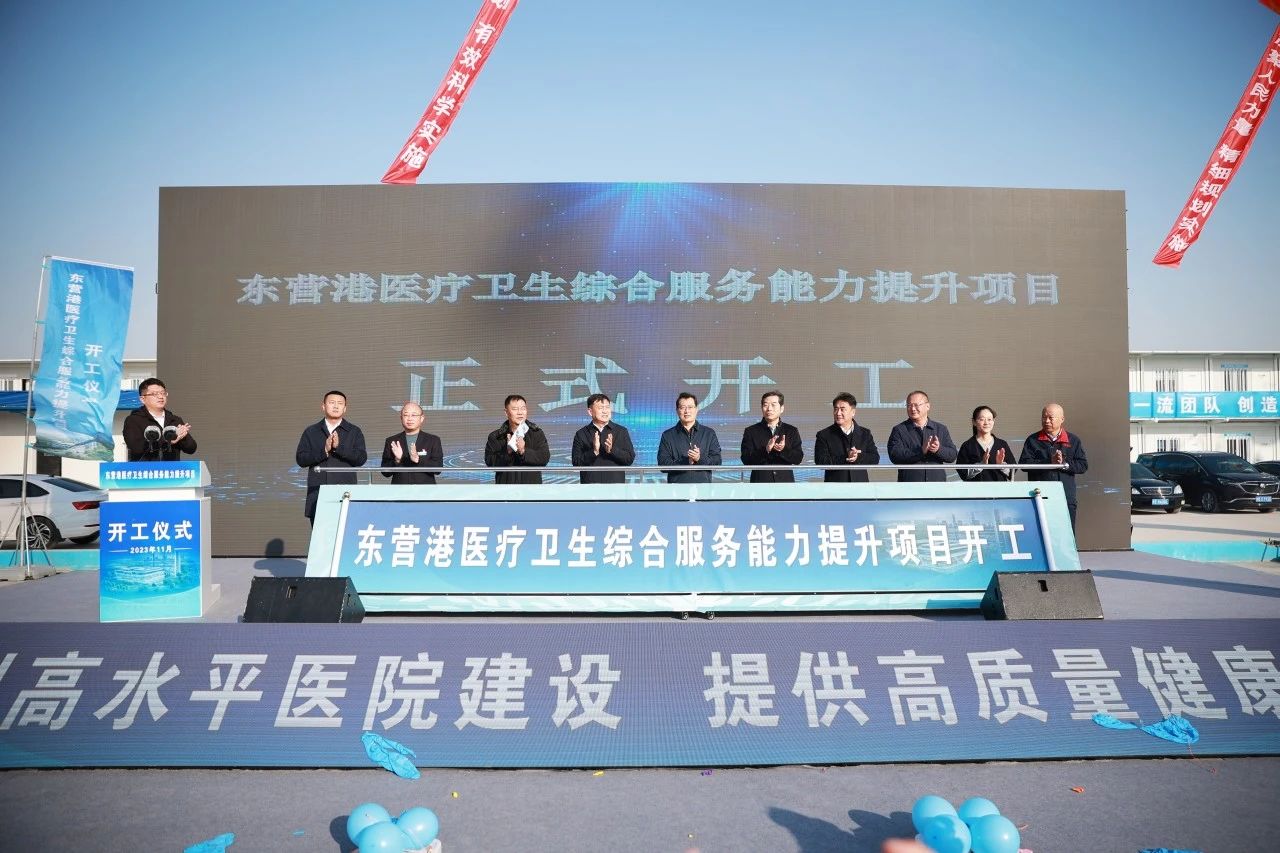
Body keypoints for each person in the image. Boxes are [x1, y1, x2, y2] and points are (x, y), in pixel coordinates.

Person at [295, 390, 368, 525]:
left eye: (340, 403)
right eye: (332, 402)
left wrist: (339, 448)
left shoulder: (354, 431)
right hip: (318, 493)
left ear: (345, 408)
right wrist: (324, 450)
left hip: (345, 494)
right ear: (323, 406)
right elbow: (301, 459)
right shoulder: (311, 431)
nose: (336, 406)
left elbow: (361, 458)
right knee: (320, 536)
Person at [1019, 401, 1088, 530]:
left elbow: (1083, 465)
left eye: (1051, 418)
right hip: (1039, 497)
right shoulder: (1032, 440)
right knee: (1040, 532)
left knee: (1066, 532)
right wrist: (1048, 462)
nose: (1046, 421)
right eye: (1044, 417)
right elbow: (1024, 464)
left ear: (1062, 419)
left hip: (1065, 497)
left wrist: (1064, 464)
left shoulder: (1073, 440)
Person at [887, 390, 957, 482]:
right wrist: (920, 451)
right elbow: (895, 456)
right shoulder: (899, 430)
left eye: (916, 405)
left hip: (937, 484)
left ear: (928, 406)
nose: (912, 409)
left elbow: (952, 455)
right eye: (909, 405)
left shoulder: (940, 429)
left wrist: (938, 449)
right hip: (909, 485)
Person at [123, 378, 197, 461]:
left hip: (171, 468)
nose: (161, 397)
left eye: (163, 393)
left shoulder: (175, 420)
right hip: (145, 468)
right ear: (142, 399)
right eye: (155, 394)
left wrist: (182, 436)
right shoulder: (133, 420)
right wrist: (167, 440)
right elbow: (136, 447)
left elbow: (191, 449)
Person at [813, 392, 880, 482]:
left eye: (842, 409)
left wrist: (858, 457)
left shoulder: (865, 434)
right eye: (836, 409)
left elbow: (875, 458)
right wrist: (846, 457)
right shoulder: (824, 435)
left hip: (861, 487)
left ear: (853, 412)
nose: (838, 413)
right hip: (835, 487)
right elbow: (820, 461)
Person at [484, 394, 550, 484]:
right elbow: (490, 463)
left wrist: (523, 451)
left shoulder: (537, 433)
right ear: (506, 412)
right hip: (505, 489)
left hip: (532, 489)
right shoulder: (496, 436)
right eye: (515, 409)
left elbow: (544, 459)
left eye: (523, 408)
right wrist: (507, 452)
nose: (520, 413)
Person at [657, 392, 722, 484]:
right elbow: (662, 464)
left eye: (690, 407)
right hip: (676, 489)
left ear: (696, 409)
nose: (687, 411)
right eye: (682, 407)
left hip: (703, 489)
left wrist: (699, 459)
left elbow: (717, 461)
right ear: (677, 410)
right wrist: (686, 462)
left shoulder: (709, 433)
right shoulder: (667, 435)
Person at [740, 390, 804, 483]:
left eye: (773, 405)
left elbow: (798, 459)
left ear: (782, 408)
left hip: (785, 484)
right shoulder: (751, 431)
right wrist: (766, 450)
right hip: (760, 484)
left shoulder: (791, 430)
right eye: (765, 405)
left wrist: (783, 450)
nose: (769, 408)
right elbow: (746, 459)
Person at [570, 393, 635, 484]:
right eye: (601, 408)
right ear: (590, 412)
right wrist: (594, 451)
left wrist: (612, 450)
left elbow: (629, 459)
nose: (605, 411)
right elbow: (576, 463)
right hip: (589, 487)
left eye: (607, 407)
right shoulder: (581, 434)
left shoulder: (621, 431)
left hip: (616, 487)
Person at [380, 401, 443, 485]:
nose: (409, 418)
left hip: (425, 490)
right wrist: (397, 460)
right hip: (399, 490)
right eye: (406, 415)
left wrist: (418, 460)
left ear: (422, 418)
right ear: (401, 418)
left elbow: (438, 469)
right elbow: (385, 472)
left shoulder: (433, 440)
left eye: (414, 415)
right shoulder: (392, 441)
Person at [957, 405, 1014, 482]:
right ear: (974, 422)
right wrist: (981, 464)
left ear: (993, 421)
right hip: (976, 488)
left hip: (999, 488)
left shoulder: (1002, 444)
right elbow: (962, 472)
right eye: (982, 419)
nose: (986, 423)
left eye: (989, 419)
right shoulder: (967, 446)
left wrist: (1001, 465)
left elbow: (1013, 471)